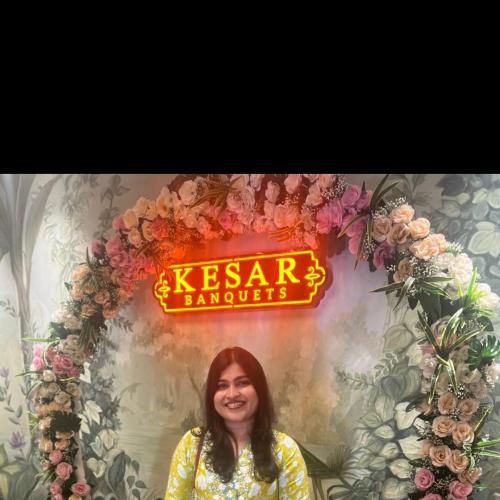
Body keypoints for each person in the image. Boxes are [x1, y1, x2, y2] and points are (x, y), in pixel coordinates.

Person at [164, 346, 310, 499]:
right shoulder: (191, 444)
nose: (232, 394)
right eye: (222, 386)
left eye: (242, 383)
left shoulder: (284, 450)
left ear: (259, 389)